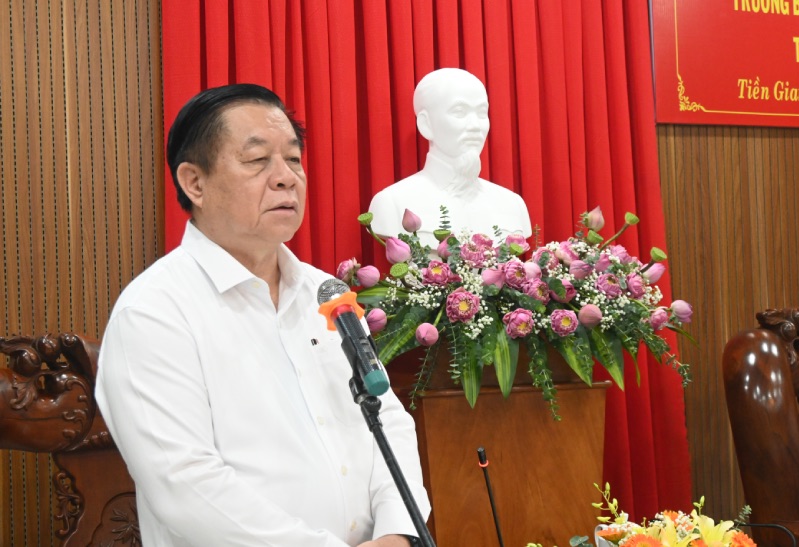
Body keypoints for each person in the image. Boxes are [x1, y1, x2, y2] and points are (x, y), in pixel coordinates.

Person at [95, 84, 430, 547]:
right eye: (256, 161)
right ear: (195, 183)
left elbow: (386, 421)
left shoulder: (324, 292)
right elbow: (185, 485)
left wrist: (399, 531)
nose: (286, 178)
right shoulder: (154, 312)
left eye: (293, 160)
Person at [368, 68, 531, 249]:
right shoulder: (392, 203)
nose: (476, 126)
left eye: (482, 113)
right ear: (426, 124)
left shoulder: (512, 204)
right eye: (459, 112)